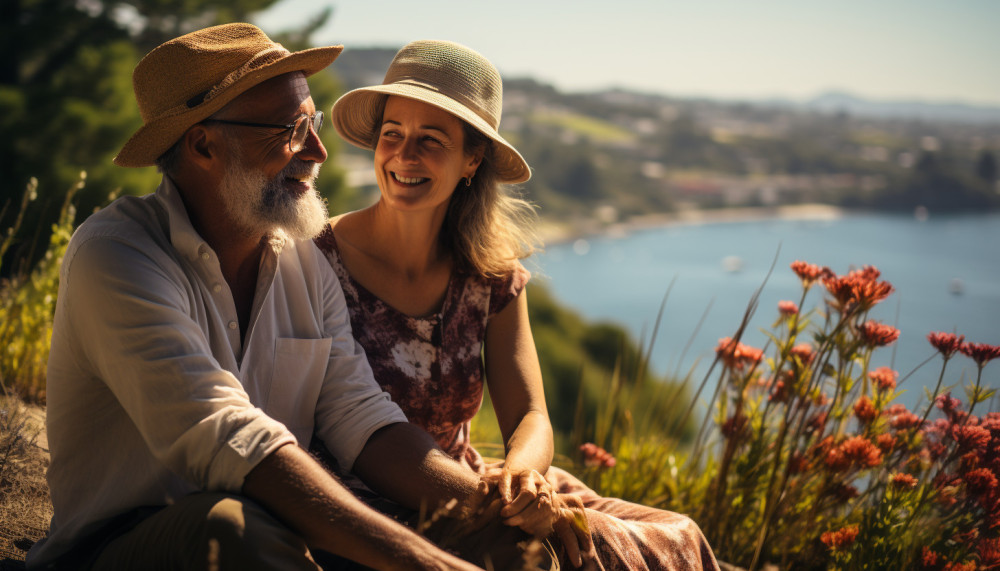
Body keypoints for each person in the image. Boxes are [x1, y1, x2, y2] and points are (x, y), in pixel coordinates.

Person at [29, 24, 551, 571]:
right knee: (231, 529)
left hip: (279, 526)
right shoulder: (118, 257)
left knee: (511, 546)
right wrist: (426, 561)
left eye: (315, 124)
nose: (320, 151)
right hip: (124, 545)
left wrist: (493, 507)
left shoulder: (303, 260)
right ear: (204, 144)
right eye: (292, 128)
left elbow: (362, 421)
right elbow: (228, 437)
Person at [316, 39, 722, 571]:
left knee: (678, 535)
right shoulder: (320, 260)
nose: (404, 155)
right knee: (549, 552)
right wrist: (505, 501)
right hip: (369, 504)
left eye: (431, 140)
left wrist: (525, 477)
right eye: (392, 135)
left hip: (485, 487)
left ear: (471, 160)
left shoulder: (491, 277)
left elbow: (530, 414)